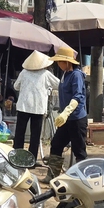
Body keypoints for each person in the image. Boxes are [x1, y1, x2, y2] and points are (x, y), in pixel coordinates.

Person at [42, 46, 87, 184]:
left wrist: (67, 111)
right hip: (65, 119)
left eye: (60, 61)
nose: (58, 64)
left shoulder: (76, 75)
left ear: (67, 62)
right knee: (56, 144)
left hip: (77, 118)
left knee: (79, 150)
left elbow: (78, 96)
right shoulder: (65, 75)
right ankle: (52, 175)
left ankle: (82, 179)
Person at [12, 50, 59, 159]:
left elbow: (16, 86)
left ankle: (16, 157)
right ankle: (31, 159)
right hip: (38, 108)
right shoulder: (45, 74)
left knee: (20, 133)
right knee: (35, 136)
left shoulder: (24, 72)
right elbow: (59, 84)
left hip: (23, 106)